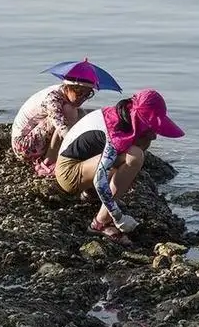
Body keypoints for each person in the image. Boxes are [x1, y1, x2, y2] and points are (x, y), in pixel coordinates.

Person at [54, 89, 184, 245]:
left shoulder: (122, 115)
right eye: (151, 126)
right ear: (140, 120)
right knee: (134, 156)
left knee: (131, 153)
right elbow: (99, 180)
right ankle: (99, 223)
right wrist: (118, 216)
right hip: (68, 173)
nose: (155, 135)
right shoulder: (114, 131)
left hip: (82, 164)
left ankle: (90, 195)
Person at [11, 77, 96, 176]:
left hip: (35, 139)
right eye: (79, 93)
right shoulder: (52, 98)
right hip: (23, 146)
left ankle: (52, 155)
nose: (83, 98)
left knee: (79, 113)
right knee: (69, 111)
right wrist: (81, 146)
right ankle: (48, 162)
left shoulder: (63, 94)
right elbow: (62, 128)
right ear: (68, 87)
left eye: (88, 95)